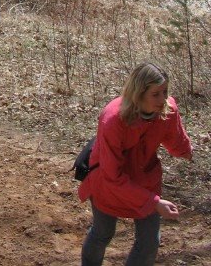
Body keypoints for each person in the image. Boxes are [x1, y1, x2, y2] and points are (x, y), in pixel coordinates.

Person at [79, 62, 192, 266]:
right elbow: (112, 176)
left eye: (165, 92)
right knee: (103, 232)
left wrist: (187, 152)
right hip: (107, 183)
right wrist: (155, 202)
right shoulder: (112, 119)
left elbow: (175, 140)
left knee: (149, 242)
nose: (162, 99)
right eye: (155, 94)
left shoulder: (168, 109)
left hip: (145, 178)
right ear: (138, 93)